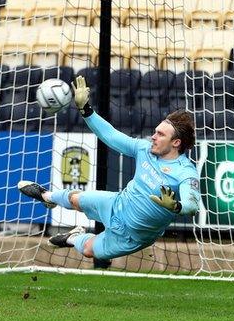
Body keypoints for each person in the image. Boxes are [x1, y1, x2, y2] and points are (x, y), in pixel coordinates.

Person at [18, 76, 200, 260]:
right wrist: (85, 109)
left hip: (133, 236)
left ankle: (73, 238)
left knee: (89, 250)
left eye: (160, 134)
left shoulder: (185, 172)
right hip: (117, 204)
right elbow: (111, 135)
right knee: (76, 199)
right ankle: (45, 196)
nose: (153, 137)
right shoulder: (145, 149)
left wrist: (176, 206)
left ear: (176, 142)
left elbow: (192, 205)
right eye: (155, 131)